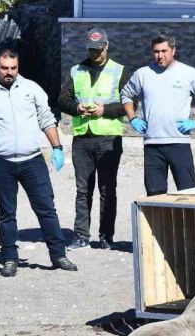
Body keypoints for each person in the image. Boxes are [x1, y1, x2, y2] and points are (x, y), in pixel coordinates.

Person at [0, 48, 77, 277]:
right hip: (0, 162)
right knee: (6, 212)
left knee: (46, 209)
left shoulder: (31, 89)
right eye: (4, 68)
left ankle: (59, 255)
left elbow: (47, 119)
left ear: (18, 67)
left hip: (32, 160)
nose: (9, 72)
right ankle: (9, 258)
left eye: (13, 68)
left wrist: (57, 148)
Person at [121, 31, 195, 196]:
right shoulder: (143, 74)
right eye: (156, 51)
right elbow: (126, 95)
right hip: (152, 145)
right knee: (155, 196)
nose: (160, 56)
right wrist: (132, 118)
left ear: (173, 50)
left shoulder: (188, 73)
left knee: (189, 193)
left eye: (164, 51)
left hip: (179, 143)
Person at [57, 28, 129, 251]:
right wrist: (76, 108)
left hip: (109, 138)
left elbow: (129, 105)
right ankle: (81, 236)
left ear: (106, 46)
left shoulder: (119, 71)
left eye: (98, 49)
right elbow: (62, 100)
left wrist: (105, 110)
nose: (95, 53)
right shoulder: (76, 71)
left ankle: (106, 236)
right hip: (82, 138)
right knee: (83, 190)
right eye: (91, 49)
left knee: (107, 190)